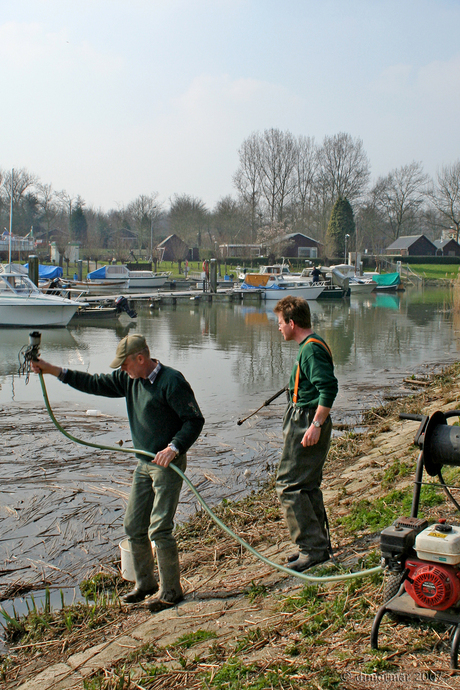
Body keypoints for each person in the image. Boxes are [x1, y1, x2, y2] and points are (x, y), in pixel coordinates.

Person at [31, 334, 204, 612]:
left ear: (140, 358)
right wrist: (52, 370)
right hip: (143, 463)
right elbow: (94, 382)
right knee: (134, 526)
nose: (122, 371)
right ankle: (145, 584)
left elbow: (194, 420)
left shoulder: (171, 381)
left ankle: (171, 591)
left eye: (124, 365)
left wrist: (174, 448)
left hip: (167, 465)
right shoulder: (129, 380)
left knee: (159, 528)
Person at [273, 296, 338, 572]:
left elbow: (329, 389)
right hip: (305, 417)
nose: (278, 328)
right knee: (307, 484)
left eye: (279, 323)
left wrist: (316, 425)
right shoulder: (311, 345)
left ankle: (311, 549)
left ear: (291, 322)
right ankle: (318, 545)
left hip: (307, 421)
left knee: (288, 485)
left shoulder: (310, 350)